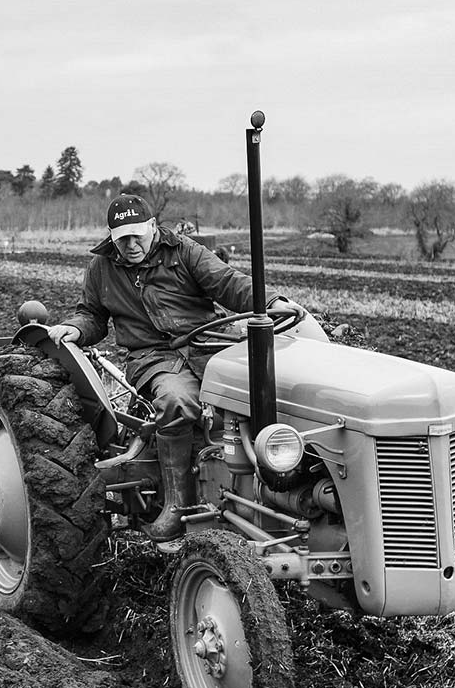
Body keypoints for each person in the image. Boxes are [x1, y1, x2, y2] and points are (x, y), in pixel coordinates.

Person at [46, 192, 298, 541]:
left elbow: (227, 282)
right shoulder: (102, 268)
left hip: (207, 343)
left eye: (138, 235)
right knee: (178, 401)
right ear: (111, 237)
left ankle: (269, 489)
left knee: (259, 392)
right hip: (152, 356)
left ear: (152, 226)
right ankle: (180, 504)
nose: (132, 245)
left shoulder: (183, 251)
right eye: (123, 239)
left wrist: (271, 302)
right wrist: (76, 327)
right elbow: (92, 315)